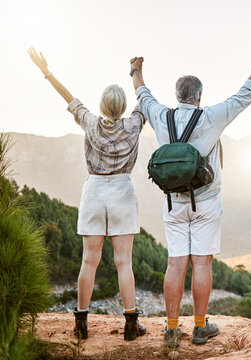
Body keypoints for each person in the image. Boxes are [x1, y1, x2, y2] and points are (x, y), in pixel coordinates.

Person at [130, 47, 251, 347]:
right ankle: (199, 327)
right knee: (202, 264)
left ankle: (171, 330)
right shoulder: (210, 116)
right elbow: (245, 95)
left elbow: (142, 95)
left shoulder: (161, 116)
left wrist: (136, 70)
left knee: (175, 264)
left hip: (173, 203)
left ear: (177, 95)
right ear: (199, 97)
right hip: (206, 201)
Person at [28, 48, 147, 341]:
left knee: (88, 261)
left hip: (94, 190)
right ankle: (131, 325)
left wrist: (47, 71)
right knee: (124, 262)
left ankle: (81, 324)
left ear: (102, 105)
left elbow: (67, 97)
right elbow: (144, 98)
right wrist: (136, 71)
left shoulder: (90, 122)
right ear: (121, 107)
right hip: (122, 190)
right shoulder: (134, 124)